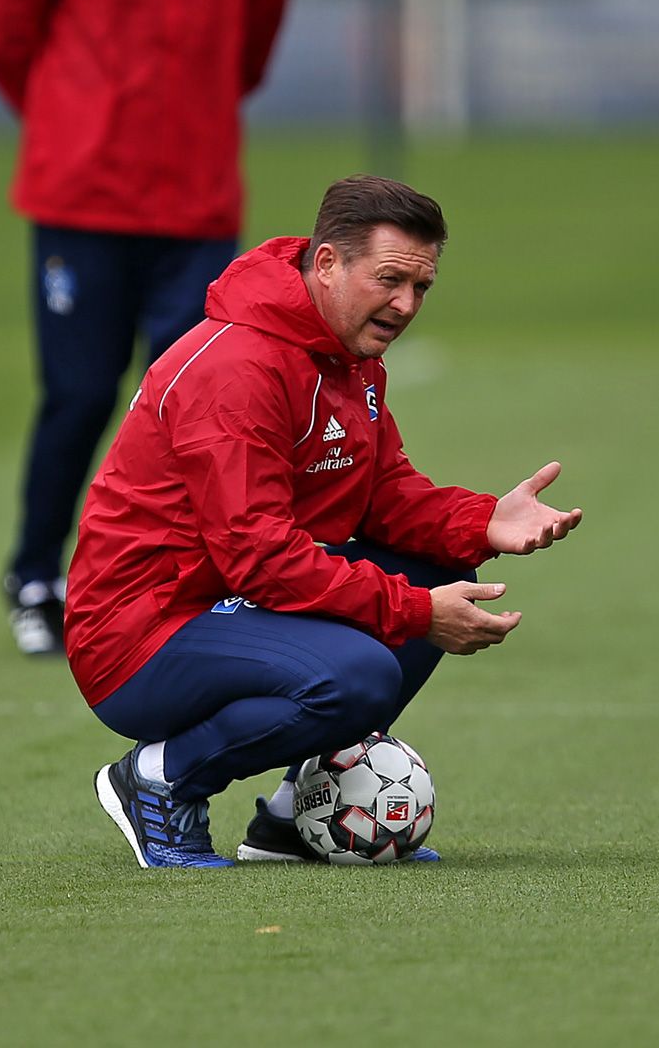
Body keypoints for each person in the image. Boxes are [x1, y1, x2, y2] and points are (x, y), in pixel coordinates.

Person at [69, 176, 582, 867]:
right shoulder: (238, 368)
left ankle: (294, 819)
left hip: (222, 603)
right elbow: (259, 555)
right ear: (329, 263)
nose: (405, 305)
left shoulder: (347, 355)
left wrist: (484, 521)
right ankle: (159, 780)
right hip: (139, 633)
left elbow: (382, 496)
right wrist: (412, 610)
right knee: (362, 671)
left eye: (421, 288)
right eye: (391, 279)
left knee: (440, 571)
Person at [0, 0, 295, 655]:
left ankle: (175, 586)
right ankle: (35, 575)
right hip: (81, 195)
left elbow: (252, 43)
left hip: (196, 197)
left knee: (196, 402)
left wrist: (192, 110)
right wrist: (69, 117)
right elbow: (5, 37)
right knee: (80, 392)